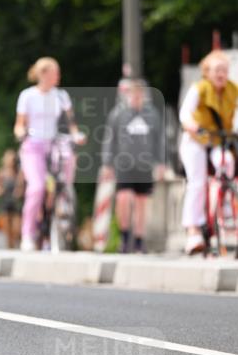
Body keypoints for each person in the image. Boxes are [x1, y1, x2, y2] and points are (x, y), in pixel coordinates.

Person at [13, 57, 85, 252]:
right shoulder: (27, 96)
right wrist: (21, 133)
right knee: (36, 188)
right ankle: (28, 234)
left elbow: (71, 124)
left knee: (67, 159)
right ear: (43, 74)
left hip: (54, 143)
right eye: (55, 72)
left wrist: (76, 135)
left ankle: (64, 196)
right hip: (34, 145)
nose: (58, 76)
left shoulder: (61, 96)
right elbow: (20, 124)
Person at [178, 50, 238, 255]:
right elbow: (185, 113)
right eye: (217, 70)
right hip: (196, 139)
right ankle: (193, 230)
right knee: (197, 182)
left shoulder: (233, 89)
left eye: (224, 70)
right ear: (207, 72)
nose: (221, 74)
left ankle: (225, 205)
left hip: (218, 139)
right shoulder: (200, 88)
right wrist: (191, 125)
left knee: (227, 162)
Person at [101, 79, 165, 253]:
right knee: (124, 198)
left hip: (144, 164)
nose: (136, 99)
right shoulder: (118, 114)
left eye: (139, 95)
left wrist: (161, 163)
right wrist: (107, 164)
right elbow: (110, 139)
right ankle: (124, 235)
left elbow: (159, 140)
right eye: (133, 95)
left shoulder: (152, 115)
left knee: (141, 202)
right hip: (124, 163)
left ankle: (138, 239)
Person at [0, 149, 24, 249]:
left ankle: (18, 245)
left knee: (16, 230)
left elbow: (22, 188)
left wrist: (19, 192)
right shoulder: (0, 173)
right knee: (7, 232)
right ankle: (11, 250)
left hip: (16, 204)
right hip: (4, 204)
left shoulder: (18, 173)